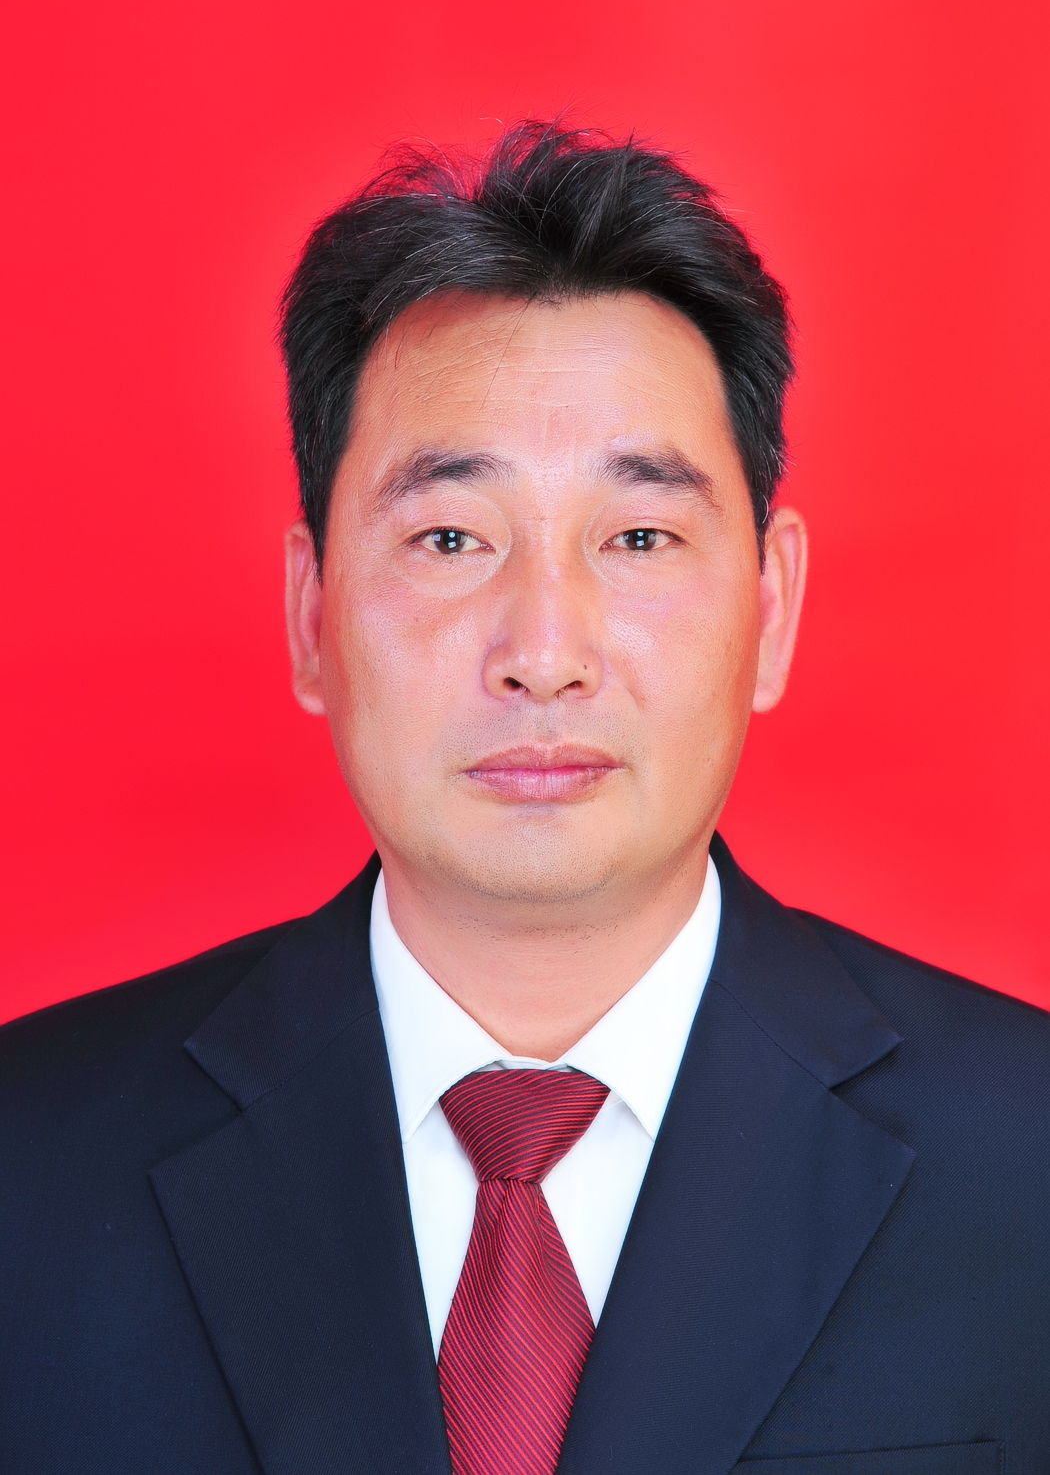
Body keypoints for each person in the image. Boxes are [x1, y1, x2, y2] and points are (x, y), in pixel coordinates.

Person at [1, 121, 1047, 1475]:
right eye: (450, 537)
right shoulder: (31, 1162)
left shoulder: (1026, 1156)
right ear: (312, 613)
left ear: (771, 608)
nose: (544, 652)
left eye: (638, 536)